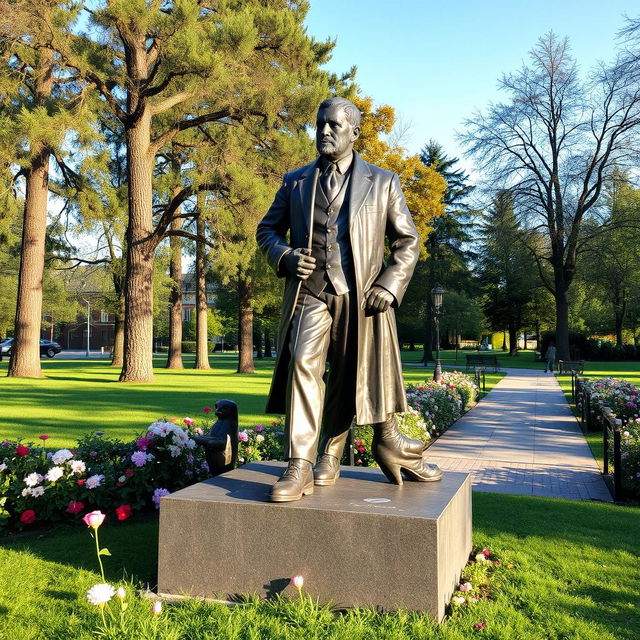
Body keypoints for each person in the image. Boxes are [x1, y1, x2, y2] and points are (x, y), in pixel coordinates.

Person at [256, 97, 441, 502]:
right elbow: (266, 231)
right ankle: (299, 465)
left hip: (361, 297)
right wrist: (285, 257)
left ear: (354, 132)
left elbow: (407, 241)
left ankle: (330, 455)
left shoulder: (384, 181)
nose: (324, 131)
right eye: (320, 124)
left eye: (333, 126)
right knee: (304, 362)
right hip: (310, 292)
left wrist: (390, 285)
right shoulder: (295, 182)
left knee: (349, 373)